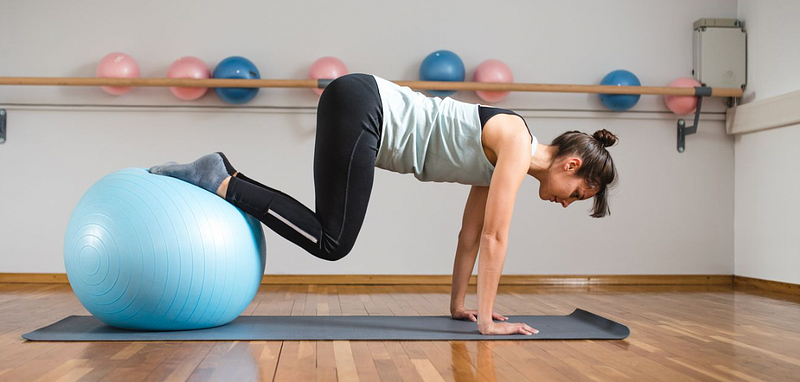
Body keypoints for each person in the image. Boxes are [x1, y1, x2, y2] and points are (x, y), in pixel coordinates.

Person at [149, 73, 618, 336]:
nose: (566, 203)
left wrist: (461, 306)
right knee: (332, 242)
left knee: (331, 237)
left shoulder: (505, 157)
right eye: (577, 194)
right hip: (364, 106)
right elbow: (497, 237)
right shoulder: (516, 142)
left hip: (358, 102)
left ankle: (221, 176)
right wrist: (488, 326)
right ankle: (221, 179)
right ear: (572, 165)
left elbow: (472, 236)